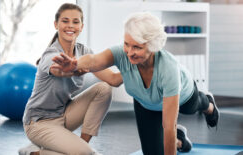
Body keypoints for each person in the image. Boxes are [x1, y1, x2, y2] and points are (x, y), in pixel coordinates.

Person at [52, 12, 220, 155]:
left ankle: (209, 104)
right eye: (127, 44)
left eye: (137, 47)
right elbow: (95, 60)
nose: (130, 53)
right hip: (146, 103)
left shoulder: (168, 69)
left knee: (192, 107)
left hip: (184, 96)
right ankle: (180, 141)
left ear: (153, 46)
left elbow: (169, 126)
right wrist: (76, 64)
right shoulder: (121, 54)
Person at [19, 3, 123, 155]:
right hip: (38, 123)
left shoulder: (84, 52)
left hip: (63, 115)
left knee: (104, 89)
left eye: (76, 22)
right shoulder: (51, 54)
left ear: (81, 26)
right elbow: (58, 71)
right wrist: (72, 70)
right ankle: (32, 153)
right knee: (86, 153)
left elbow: (113, 79)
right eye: (65, 21)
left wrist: (137, 66)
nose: (70, 26)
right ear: (56, 24)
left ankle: (81, 146)